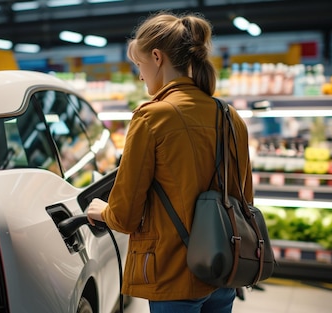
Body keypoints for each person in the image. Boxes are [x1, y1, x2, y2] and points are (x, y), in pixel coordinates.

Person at [86, 11, 253, 313]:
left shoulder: (152, 116)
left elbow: (124, 215)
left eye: (139, 65)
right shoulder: (231, 117)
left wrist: (103, 211)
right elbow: (244, 199)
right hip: (224, 268)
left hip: (173, 272)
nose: (140, 74)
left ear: (157, 57)